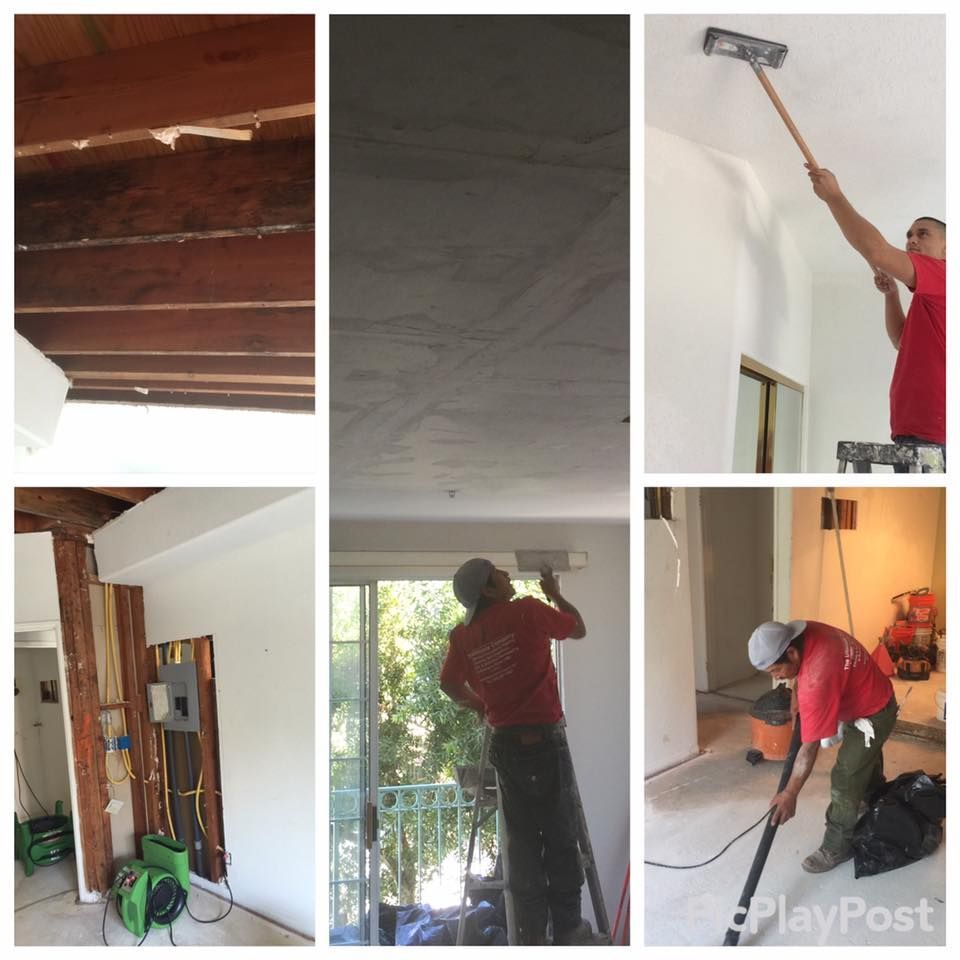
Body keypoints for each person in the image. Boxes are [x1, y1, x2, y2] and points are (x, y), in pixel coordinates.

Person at [439, 557, 592, 945]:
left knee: (522, 844)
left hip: (506, 746)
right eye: (499, 573)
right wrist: (555, 595)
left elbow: (449, 684)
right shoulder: (526, 611)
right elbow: (579, 629)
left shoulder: (462, 637)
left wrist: (481, 707)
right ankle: (570, 930)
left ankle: (532, 939)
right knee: (559, 837)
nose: (508, 576)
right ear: (488, 589)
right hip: (544, 740)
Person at [806, 165, 945, 470]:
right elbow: (900, 341)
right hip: (913, 433)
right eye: (909, 235)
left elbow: (878, 252)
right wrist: (892, 296)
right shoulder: (928, 298)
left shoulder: (947, 276)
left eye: (923, 234)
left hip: (936, 439)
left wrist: (834, 197)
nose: (911, 240)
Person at [747, 619, 897, 873]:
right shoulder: (806, 634)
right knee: (861, 761)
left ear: (791, 653)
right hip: (865, 690)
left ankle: (836, 846)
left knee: (845, 776)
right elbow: (801, 673)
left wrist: (790, 794)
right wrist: (796, 694)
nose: (776, 678)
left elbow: (808, 748)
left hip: (874, 712)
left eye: (775, 671)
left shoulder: (817, 678)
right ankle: (871, 797)